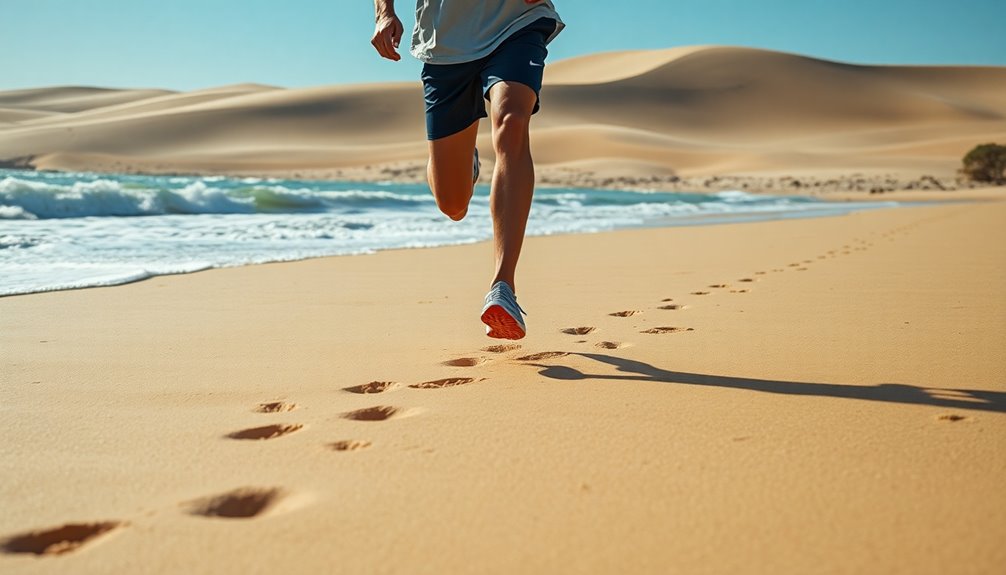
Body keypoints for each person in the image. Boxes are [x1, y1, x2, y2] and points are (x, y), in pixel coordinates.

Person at [371, 0, 564, 340]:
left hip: (517, 23)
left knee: (512, 121)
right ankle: (464, 163)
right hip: (445, 42)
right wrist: (384, 12)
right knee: (452, 203)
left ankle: (503, 287)